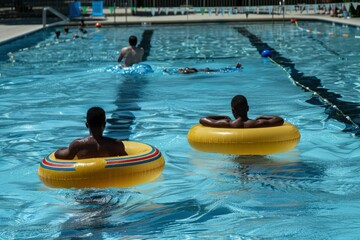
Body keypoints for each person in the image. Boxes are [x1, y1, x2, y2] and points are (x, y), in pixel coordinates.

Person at [55, 107, 127, 160]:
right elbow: (127, 162)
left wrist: (62, 149)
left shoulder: (78, 145)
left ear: (87, 125)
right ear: (104, 124)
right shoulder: (117, 145)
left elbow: (59, 155)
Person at [199, 95, 284, 128]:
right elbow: (279, 119)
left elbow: (203, 119)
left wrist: (224, 117)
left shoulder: (228, 123)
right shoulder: (257, 123)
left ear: (233, 110)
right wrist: (261, 117)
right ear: (247, 108)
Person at [177, 62, 242, 74]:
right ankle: (235, 68)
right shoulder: (187, 70)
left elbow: (187, 71)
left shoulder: (189, 71)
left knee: (221, 70)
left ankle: (236, 68)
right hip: (203, 70)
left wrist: (180, 71)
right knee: (220, 70)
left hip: (204, 71)